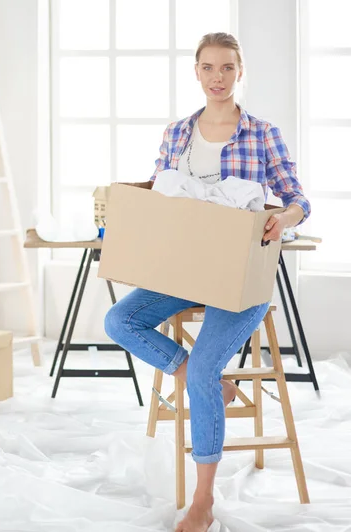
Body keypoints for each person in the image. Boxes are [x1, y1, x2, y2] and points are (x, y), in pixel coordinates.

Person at [104, 32, 310, 532]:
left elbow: (299, 199)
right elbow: (160, 200)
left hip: (241, 279)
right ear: (196, 72)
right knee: (119, 319)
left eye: (227, 68)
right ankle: (210, 379)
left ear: (241, 72)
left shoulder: (262, 133)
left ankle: (203, 501)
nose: (217, 77)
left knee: (197, 375)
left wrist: (284, 217)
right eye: (208, 68)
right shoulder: (177, 133)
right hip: (183, 271)